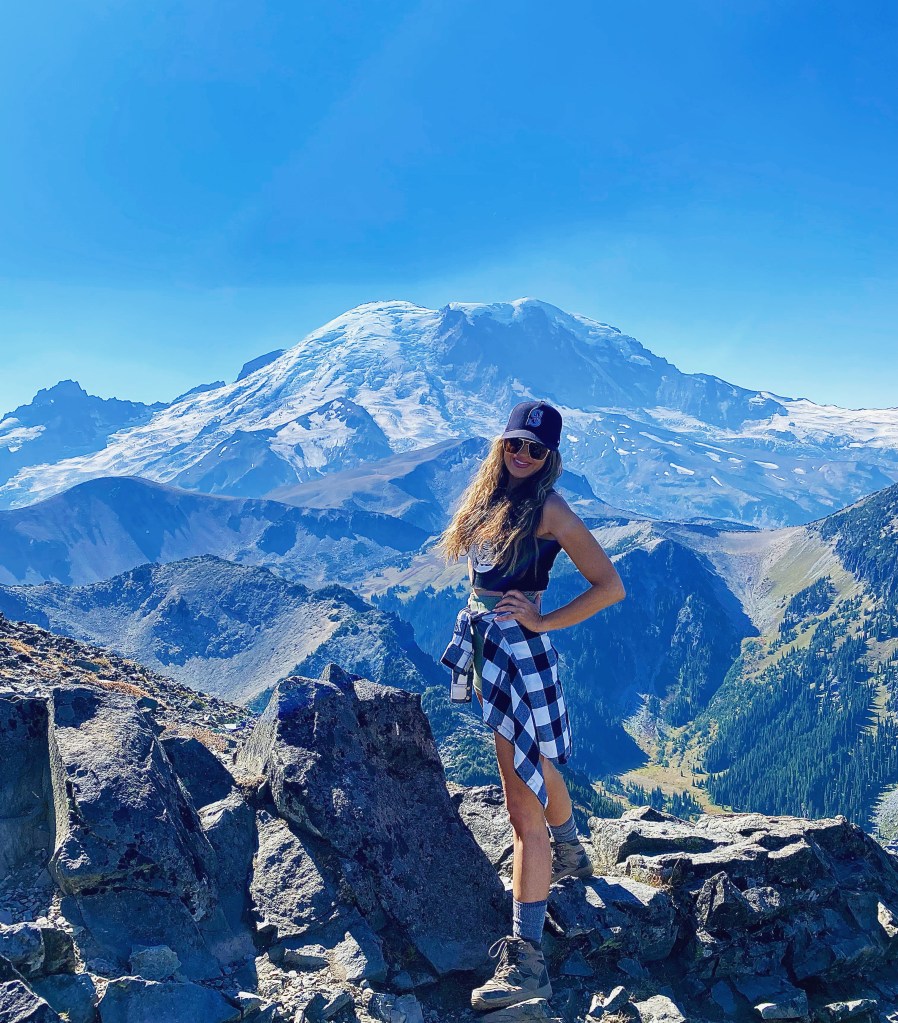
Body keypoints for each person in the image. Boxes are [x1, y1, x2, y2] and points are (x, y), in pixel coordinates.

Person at [438, 399, 626, 1013]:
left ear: (551, 457)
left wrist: (543, 621)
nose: (521, 455)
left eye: (535, 449)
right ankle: (570, 848)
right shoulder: (491, 497)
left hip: (518, 654)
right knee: (535, 770)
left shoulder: (550, 509)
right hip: (492, 649)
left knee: (522, 812)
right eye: (514, 444)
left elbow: (610, 586)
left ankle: (528, 966)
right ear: (502, 444)